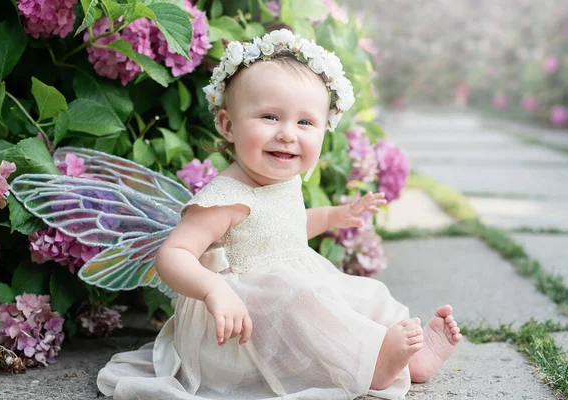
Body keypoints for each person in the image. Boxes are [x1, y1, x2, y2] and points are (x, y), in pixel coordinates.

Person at [96, 29, 462, 400]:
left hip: (285, 291)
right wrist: (214, 290)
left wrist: (335, 215)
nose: (288, 134)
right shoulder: (224, 197)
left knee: (361, 293)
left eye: (305, 123)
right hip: (239, 323)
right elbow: (172, 255)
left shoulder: (282, 180)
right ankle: (373, 367)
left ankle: (407, 359)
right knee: (302, 300)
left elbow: (285, 226)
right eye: (270, 116)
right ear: (228, 125)